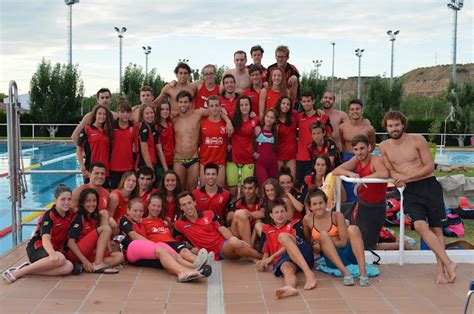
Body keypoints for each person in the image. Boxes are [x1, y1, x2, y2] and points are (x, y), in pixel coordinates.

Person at [380, 111, 457, 284]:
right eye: (390, 125)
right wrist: (397, 178)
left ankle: (441, 272)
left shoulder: (417, 139)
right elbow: (390, 168)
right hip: (410, 191)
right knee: (420, 226)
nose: (394, 128)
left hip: (428, 185)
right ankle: (449, 263)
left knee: (437, 229)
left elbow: (429, 167)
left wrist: (406, 177)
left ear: (403, 124)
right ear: (386, 127)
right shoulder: (384, 146)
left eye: (397, 125)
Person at [119, 198, 208, 282]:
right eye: (135, 210)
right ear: (128, 211)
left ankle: (195, 267)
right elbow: (133, 235)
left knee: (173, 254)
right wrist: (155, 245)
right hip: (131, 248)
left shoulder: (141, 223)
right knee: (161, 250)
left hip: (142, 249)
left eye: (141, 211)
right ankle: (182, 272)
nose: (138, 213)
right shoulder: (125, 219)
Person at [3, 185, 76, 283]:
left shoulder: (70, 213)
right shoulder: (49, 216)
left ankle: (28, 270)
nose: (66, 202)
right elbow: (45, 238)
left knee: (68, 267)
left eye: (69, 199)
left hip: (53, 251)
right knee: (61, 258)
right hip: (37, 248)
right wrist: (52, 253)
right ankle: (17, 273)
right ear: (55, 200)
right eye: (63, 199)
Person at [302, 188, 370, 287]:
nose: (318, 207)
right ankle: (346, 274)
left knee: (353, 229)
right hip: (332, 258)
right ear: (310, 207)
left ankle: (363, 274)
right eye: (314, 204)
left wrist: (324, 243)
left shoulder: (336, 216)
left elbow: (343, 242)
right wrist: (315, 245)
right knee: (324, 235)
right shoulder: (307, 220)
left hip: (348, 253)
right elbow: (308, 240)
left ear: (326, 203)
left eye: (321, 203)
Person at [333, 135, 389, 250]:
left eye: (362, 148)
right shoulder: (356, 159)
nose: (359, 152)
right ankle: (337, 243)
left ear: (369, 147)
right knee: (333, 212)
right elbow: (336, 171)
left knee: (368, 247)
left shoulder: (375, 160)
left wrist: (363, 179)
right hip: (361, 204)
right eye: (356, 149)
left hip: (375, 208)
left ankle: (402, 245)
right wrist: (350, 174)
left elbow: (384, 174)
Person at [174, 192, 263, 261]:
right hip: (213, 252)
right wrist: (190, 249)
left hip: (223, 244)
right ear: (180, 207)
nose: (188, 207)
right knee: (236, 245)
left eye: (189, 203)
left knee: (239, 217)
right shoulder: (179, 224)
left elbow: (222, 229)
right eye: (184, 205)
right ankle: (260, 256)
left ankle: (254, 254)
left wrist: (234, 239)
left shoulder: (209, 214)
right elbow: (177, 242)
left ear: (194, 203)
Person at [173, 90, 232, 192]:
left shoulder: (198, 114)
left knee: (193, 189)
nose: (183, 104)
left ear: (191, 103)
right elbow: (157, 112)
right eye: (181, 102)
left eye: (186, 102)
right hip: (178, 159)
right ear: (177, 103)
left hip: (194, 159)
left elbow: (216, 111)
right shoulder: (173, 117)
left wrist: (228, 121)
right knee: (179, 189)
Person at [257, 199, 316, 298]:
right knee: (287, 268)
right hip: (286, 260)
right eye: (276, 212)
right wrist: (263, 263)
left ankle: (309, 274)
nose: (280, 215)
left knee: (283, 237)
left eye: (282, 212)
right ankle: (290, 287)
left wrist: (271, 258)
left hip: (304, 254)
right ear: (271, 215)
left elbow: (293, 244)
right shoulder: (266, 229)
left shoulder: (295, 224)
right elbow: (266, 253)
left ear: (286, 212)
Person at [143, 194, 212, 270]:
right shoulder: (143, 221)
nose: (156, 208)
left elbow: (171, 233)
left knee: (184, 251)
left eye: (159, 206)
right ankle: (196, 267)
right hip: (159, 245)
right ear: (148, 205)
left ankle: (202, 261)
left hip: (172, 242)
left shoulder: (166, 220)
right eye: (153, 205)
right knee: (177, 257)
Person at [66, 188, 124, 273]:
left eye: (94, 201)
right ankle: (98, 263)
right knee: (106, 228)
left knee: (119, 256)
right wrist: (84, 260)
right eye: (88, 201)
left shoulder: (93, 217)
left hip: (87, 253)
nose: (92, 204)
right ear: (82, 203)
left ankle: (84, 267)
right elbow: (70, 243)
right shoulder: (79, 217)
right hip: (76, 253)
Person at [295, 91, 333, 189]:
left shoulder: (323, 116)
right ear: (301, 103)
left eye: (308, 101)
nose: (306, 103)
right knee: (300, 188)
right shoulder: (298, 117)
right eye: (304, 101)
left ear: (313, 101)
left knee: (316, 188)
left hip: (316, 159)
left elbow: (329, 137)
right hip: (301, 158)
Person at [226, 96, 259, 198]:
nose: (244, 107)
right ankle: (233, 209)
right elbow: (222, 115)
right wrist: (227, 121)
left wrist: (257, 151)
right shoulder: (232, 116)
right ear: (238, 106)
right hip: (233, 157)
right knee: (232, 191)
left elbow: (260, 136)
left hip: (248, 157)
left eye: (246, 104)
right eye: (241, 105)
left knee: (247, 191)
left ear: (250, 106)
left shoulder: (255, 120)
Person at [76, 104, 114, 185]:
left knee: (104, 195)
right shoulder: (87, 129)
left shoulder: (108, 131)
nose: (102, 116)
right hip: (91, 171)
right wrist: (83, 169)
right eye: (99, 114)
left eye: (104, 114)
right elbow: (78, 149)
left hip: (105, 172)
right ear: (95, 115)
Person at [199, 95, 228, 186]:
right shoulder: (201, 122)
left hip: (220, 163)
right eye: (211, 106)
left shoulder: (226, 123)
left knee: (220, 192)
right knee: (204, 192)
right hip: (205, 162)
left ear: (220, 106)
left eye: (216, 106)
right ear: (207, 107)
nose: (214, 108)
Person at [227, 176, 264, 246]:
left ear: (256, 190)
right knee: (237, 218)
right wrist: (241, 214)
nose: (247, 191)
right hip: (240, 231)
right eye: (245, 188)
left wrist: (248, 213)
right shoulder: (239, 202)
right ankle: (249, 247)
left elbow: (262, 213)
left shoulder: (261, 201)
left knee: (258, 221)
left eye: (250, 188)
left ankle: (249, 246)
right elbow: (229, 217)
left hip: (254, 232)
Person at [109, 98, 135, 189]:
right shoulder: (112, 127)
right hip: (114, 166)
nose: (125, 114)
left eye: (128, 112)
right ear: (118, 112)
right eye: (123, 112)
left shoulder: (133, 127)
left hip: (129, 166)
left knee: (128, 192)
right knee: (115, 192)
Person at [135, 104, 165, 171]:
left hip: (152, 163)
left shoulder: (154, 127)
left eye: (152, 113)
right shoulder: (143, 127)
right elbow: (144, 151)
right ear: (142, 115)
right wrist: (150, 169)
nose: (150, 115)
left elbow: (159, 150)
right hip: (143, 165)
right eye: (147, 113)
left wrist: (166, 170)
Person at [275, 96, 298, 179]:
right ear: (279, 104)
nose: (285, 106)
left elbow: (306, 114)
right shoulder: (274, 118)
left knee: (292, 180)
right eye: (283, 103)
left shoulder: (294, 115)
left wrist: (318, 111)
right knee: (277, 182)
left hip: (291, 155)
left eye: (288, 104)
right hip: (278, 155)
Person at [254, 109, 279, 185]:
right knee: (264, 185)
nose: (269, 119)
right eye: (267, 116)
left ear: (275, 120)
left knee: (272, 187)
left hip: (273, 164)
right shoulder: (258, 130)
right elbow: (250, 142)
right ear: (264, 117)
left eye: (272, 118)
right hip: (260, 164)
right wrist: (253, 152)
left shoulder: (276, 131)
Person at [155, 100, 175, 176]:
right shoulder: (156, 127)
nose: (165, 111)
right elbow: (159, 150)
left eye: (167, 109)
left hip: (172, 161)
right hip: (161, 164)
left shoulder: (170, 124)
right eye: (162, 109)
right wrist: (166, 169)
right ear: (158, 111)